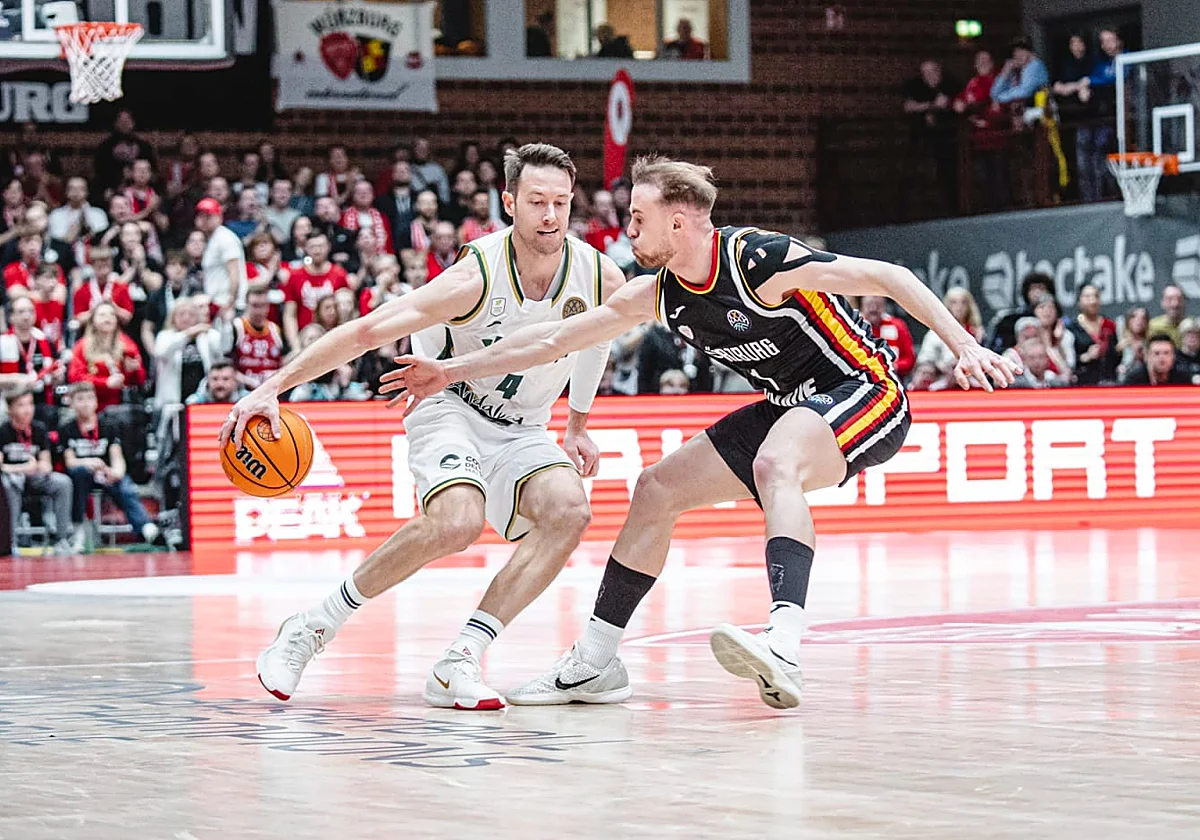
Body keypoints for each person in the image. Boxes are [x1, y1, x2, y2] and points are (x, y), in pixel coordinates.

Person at [380, 155, 1019, 709]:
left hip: (864, 390)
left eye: (639, 219)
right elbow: (552, 339)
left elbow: (889, 277)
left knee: (776, 463)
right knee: (655, 489)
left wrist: (964, 344)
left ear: (679, 223)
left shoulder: (757, 260)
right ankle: (596, 661)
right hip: (786, 406)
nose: (627, 229)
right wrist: (450, 371)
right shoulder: (660, 292)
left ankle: (784, 643)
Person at [221, 144, 622, 711]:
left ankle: (460, 659)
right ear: (509, 203)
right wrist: (273, 386)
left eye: (561, 202)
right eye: (537, 202)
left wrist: (577, 423)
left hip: (525, 425)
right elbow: (369, 330)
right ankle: (312, 626)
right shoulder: (474, 275)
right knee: (457, 521)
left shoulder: (599, 274)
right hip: (448, 402)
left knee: (570, 511)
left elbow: (596, 341)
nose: (551, 216)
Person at [58, 381, 159, 551]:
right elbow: (70, 461)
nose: (85, 403)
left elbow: (117, 457)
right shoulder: (67, 429)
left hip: (105, 473)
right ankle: (78, 531)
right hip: (82, 475)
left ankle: (145, 528)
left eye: (89, 398)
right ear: (72, 403)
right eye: (80, 399)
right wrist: (89, 462)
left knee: (124, 485)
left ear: (96, 401)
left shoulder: (109, 425)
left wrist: (116, 472)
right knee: (79, 473)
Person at [0, 389, 73, 555]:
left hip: (36, 477)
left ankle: (62, 539)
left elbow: (46, 465)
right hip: (11, 478)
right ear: (10, 409)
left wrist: (36, 468)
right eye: (21, 405)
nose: (27, 410)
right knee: (9, 484)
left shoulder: (39, 429)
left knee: (63, 482)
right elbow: (1, 466)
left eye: (30, 404)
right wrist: (22, 468)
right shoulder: (3, 431)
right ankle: (10, 543)